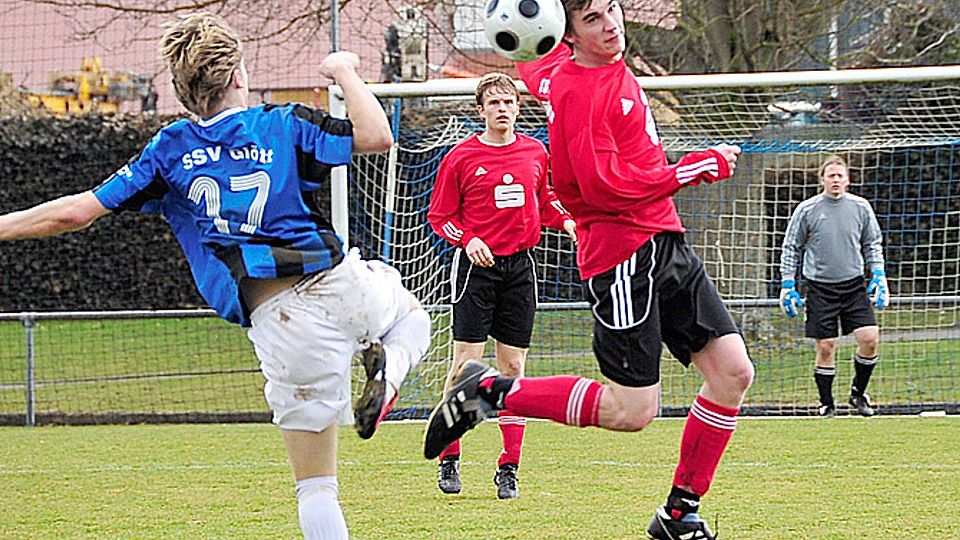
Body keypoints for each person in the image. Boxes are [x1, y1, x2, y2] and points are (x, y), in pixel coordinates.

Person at [0, 13, 430, 540]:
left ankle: (380, 383)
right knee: (411, 317)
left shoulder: (169, 150)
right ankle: (390, 376)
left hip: (278, 320)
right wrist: (343, 71)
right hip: (340, 284)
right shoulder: (282, 122)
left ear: (181, 91)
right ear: (237, 78)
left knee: (316, 487)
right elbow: (377, 136)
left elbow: (75, 213)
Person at [422, 1, 753, 539]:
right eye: (594, 18)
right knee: (632, 409)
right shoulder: (578, 93)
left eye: (613, 9)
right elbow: (602, 189)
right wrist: (694, 167)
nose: (612, 25)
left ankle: (678, 516)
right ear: (570, 33)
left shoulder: (558, 67)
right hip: (623, 255)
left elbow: (533, 59)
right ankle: (489, 392)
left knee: (733, 373)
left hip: (664, 241)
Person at [426, 72, 577, 499]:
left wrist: (565, 221)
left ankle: (508, 468)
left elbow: (544, 200)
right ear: (481, 111)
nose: (503, 109)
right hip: (476, 271)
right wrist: (468, 238)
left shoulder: (535, 151)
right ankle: (449, 458)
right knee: (464, 368)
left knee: (513, 370)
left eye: (508, 102)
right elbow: (441, 217)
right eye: (493, 103)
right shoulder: (460, 157)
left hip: (519, 270)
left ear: (517, 107)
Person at [779, 155, 888, 418]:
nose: (836, 180)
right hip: (820, 287)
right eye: (831, 175)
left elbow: (872, 242)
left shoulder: (861, 207)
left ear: (848, 180)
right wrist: (787, 284)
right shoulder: (807, 209)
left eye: (840, 175)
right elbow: (791, 247)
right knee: (826, 345)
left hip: (853, 286)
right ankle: (827, 404)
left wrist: (879, 275)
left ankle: (857, 394)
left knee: (870, 339)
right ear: (823, 180)